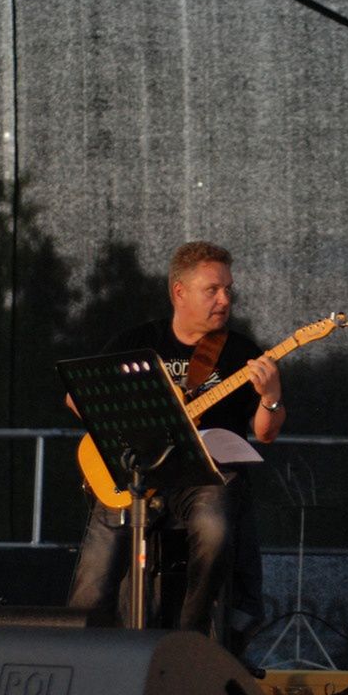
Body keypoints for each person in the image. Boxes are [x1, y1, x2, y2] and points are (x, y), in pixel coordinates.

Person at [67, 241, 286, 644]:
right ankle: (79, 653)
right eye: (212, 290)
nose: (224, 300)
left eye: (228, 289)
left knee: (215, 528)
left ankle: (190, 639)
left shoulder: (241, 352)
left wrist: (271, 396)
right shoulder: (138, 342)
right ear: (179, 292)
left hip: (206, 477)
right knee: (95, 575)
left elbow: (266, 433)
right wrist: (136, 428)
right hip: (139, 473)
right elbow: (76, 398)